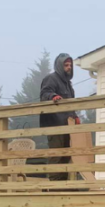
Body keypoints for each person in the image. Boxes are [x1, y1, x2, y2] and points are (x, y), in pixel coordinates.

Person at [40, 53, 79, 181]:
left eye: (70, 65)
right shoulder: (51, 78)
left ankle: (63, 183)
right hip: (54, 124)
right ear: (59, 66)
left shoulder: (69, 84)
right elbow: (45, 93)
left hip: (67, 124)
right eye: (66, 65)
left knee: (66, 154)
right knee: (56, 154)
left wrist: (75, 116)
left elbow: (70, 104)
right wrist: (53, 96)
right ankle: (54, 184)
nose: (69, 67)